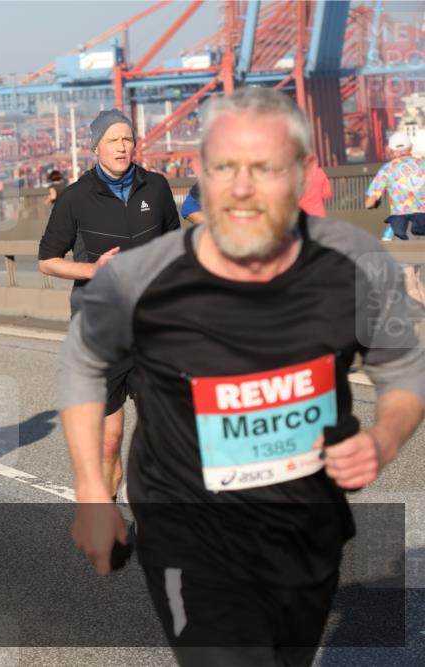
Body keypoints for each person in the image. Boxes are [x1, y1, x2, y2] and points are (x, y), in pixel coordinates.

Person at [60, 87, 425, 665]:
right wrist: (90, 490)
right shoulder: (144, 278)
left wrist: (385, 437)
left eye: (264, 167)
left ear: (302, 173)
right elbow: (84, 366)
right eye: (225, 167)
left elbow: (405, 366)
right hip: (188, 532)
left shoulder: (354, 263)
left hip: (304, 529)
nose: (242, 186)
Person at [39, 108, 180, 501]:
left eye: (128, 139)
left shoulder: (156, 187)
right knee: (109, 439)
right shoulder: (74, 198)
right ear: (96, 146)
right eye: (114, 140)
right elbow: (47, 261)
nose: (122, 146)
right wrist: (92, 269)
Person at [364, 131, 424, 240]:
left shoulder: (387, 169)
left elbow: (369, 203)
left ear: (391, 150)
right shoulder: (423, 164)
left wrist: (374, 203)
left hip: (402, 226)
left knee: (390, 239)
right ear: (411, 147)